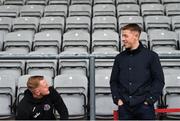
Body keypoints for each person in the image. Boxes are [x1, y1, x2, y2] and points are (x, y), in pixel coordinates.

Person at [110, 24, 165, 120]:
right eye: (122, 36)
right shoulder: (119, 58)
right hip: (124, 107)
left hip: (145, 107)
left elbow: (159, 80)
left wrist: (149, 101)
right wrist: (118, 100)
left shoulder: (151, 56)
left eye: (125, 36)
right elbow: (113, 81)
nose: (122, 39)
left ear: (136, 36)